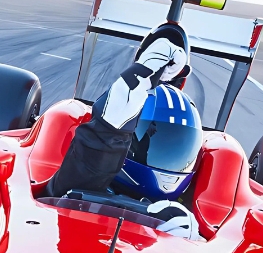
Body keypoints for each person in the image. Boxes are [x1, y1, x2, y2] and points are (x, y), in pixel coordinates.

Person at [45, 23, 204, 238]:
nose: (170, 152)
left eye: (178, 143)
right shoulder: (71, 183)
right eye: (160, 141)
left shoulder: (190, 221)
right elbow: (83, 171)